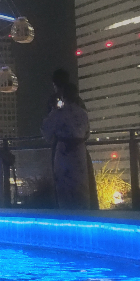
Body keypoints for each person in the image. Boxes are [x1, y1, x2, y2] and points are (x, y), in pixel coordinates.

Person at [41, 69, 98, 209]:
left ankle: (65, 215)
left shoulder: (56, 106)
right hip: (80, 150)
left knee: (63, 186)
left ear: (54, 83)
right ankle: (86, 213)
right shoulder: (81, 108)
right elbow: (87, 132)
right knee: (82, 186)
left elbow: (47, 128)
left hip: (62, 149)